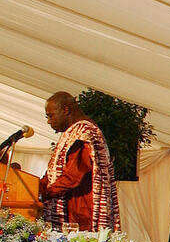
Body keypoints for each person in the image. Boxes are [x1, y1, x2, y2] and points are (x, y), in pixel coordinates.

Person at [39, 92, 121, 231]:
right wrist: (35, 187)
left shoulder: (85, 133)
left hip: (82, 211)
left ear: (65, 110)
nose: (49, 121)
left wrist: (43, 193)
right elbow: (54, 173)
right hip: (74, 207)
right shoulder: (73, 133)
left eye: (50, 115)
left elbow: (73, 176)